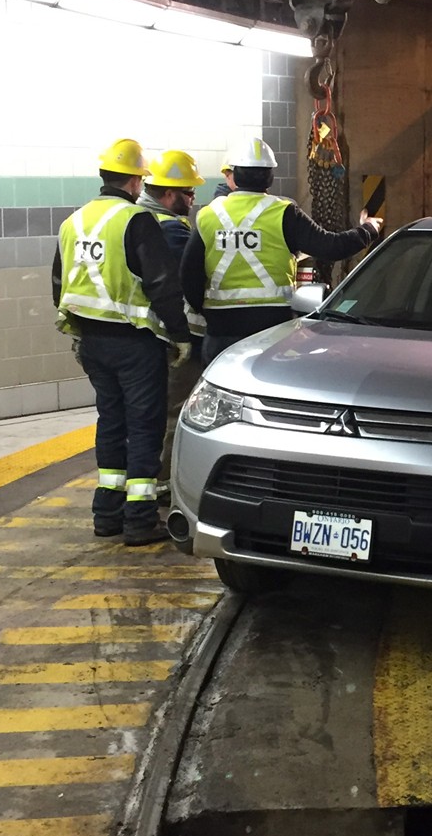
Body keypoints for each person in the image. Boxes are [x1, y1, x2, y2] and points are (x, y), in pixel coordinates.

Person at [53, 139, 193, 546]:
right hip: (135, 343)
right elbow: (163, 285)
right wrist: (180, 335)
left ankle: (106, 514)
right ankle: (139, 519)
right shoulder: (136, 221)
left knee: (110, 422)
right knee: (144, 426)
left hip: (92, 342)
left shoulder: (73, 222)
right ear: (135, 180)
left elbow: (60, 284)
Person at [182, 135, 381, 363]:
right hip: (273, 328)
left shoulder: (208, 214)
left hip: (222, 330)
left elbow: (189, 274)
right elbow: (332, 247)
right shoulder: (284, 212)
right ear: (270, 176)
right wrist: (368, 229)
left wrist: (207, 310)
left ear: (233, 174)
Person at [138, 148, 206, 498]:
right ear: (167, 194)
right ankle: (164, 483)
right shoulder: (170, 231)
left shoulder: (139, 219)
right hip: (170, 336)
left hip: (146, 336)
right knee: (175, 410)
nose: (194, 199)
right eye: (188, 193)